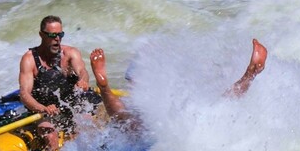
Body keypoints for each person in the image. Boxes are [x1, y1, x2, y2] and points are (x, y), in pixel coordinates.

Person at [89, 38, 268, 125]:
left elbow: (121, 118)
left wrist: (104, 89)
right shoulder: (168, 97)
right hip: (185, 126)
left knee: (129, 122)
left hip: (157, 137)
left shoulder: (147, 103)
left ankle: (104, 87)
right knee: (216, 108)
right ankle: (249, 77)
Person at [19, 15, 91, 132]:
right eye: (52, 35)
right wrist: (42, 108)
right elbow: (24, 94)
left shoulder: (70, 53)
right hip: (44, 110)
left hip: (70, 106)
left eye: (60, 34)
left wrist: (83, 80)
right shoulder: (29, 59)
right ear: (41, 35)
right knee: (50, 135)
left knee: (89, 124)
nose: (57, 38)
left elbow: (83, 71)